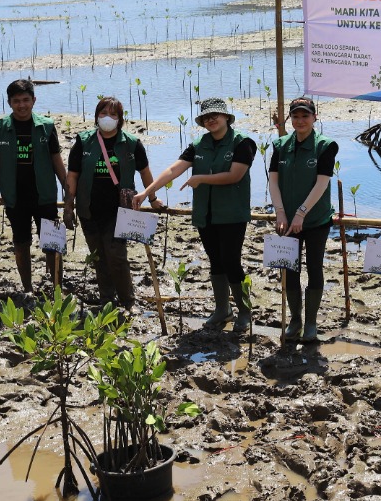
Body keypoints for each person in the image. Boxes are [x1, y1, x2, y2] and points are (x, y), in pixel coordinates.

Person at [134, 98, 256, 332]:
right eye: (206, 117)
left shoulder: (242, 143)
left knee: (231, 261)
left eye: (215, 116)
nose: (211, 120)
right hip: (206, 213)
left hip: (232, 213)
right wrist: (147, 192)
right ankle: (222, 310)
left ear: (226, 117)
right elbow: (174, 169)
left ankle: (245, 311)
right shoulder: (200, 143)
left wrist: (200, 179)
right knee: (215, 261)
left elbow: (235, 175)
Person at [64, 96, 161, 309]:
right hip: (88, 209)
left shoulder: (131, 144)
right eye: (103, 114)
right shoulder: (83, 142)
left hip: (120, 211)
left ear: (120, 119)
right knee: (98, 257)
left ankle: (128, 301)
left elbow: (145, 172)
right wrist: (68, 206)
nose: (107, 118)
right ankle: (106, 300)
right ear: (96, 116)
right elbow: (72, 175)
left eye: (113, 114)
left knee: (117, 257)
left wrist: (152, 198)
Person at [0, 79, 69, 294]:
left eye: (25, 100)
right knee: (21, 242)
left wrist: (69, 193)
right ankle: (27, 288)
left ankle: (57, 287)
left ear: (34, 100)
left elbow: (57, 161)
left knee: (52, 242)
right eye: (16, 101)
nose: (21, 105)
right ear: (9, 103)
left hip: (44, 195)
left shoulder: (46, 127)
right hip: (15, 197)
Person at [267, 97, 337, 342]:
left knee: (314, 267)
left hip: (316, 220)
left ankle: (311, 323)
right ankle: (295, 319)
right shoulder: (280, 145)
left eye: (305, 116)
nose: (300, 121)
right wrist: (280, 212)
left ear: (314, 118)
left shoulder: (325, 146)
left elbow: (322, 183)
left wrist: (301, 213)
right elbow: (273, 181)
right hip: (287, 221)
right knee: (290, 268)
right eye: (295, 116)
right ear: (290, 118)